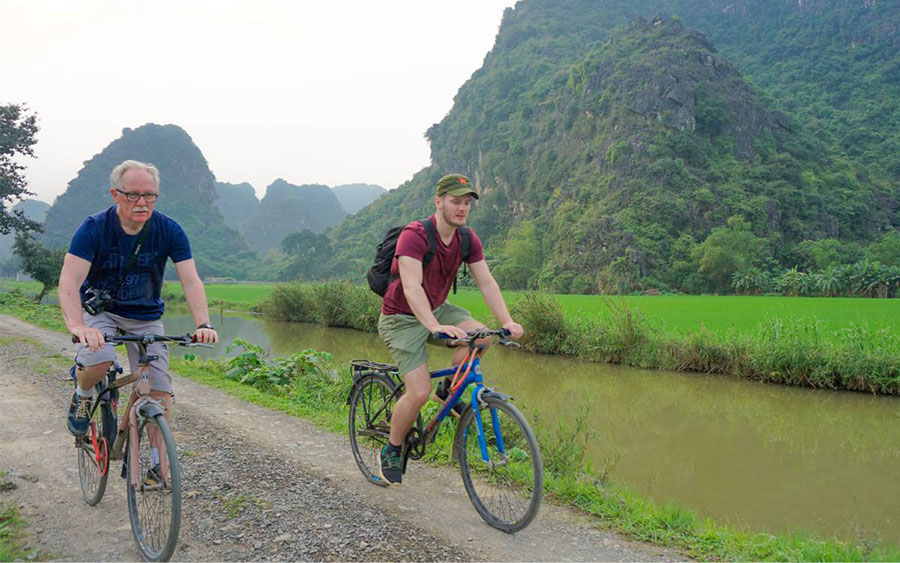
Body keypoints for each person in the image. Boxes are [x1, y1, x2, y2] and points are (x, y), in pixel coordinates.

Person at [376, 173, 524, 486]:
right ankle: (391, 448)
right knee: (417, 392)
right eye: (455, 201)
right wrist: (433, 325)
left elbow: (487, 282)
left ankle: (449, 390)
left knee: (483, 336)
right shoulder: (414, 235)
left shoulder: (467, 239)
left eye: (466, 203)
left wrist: (507, 321)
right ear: (438, 202)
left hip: (439, 309)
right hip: (401, 317)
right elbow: (412, 286)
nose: (462, 208)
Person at [58, 160, 218, 446]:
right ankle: (83, 395)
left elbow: (191, 281)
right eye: (133, 194)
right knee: (98, 357)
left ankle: (158, 470)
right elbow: (70, 281)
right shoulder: (95, 227)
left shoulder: (169, 230)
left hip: (146, 316)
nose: (142, 202)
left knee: (160, 394)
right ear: (115, 194)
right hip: (102, 313)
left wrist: (203, 323)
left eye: (149, 195)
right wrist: (77, 326)